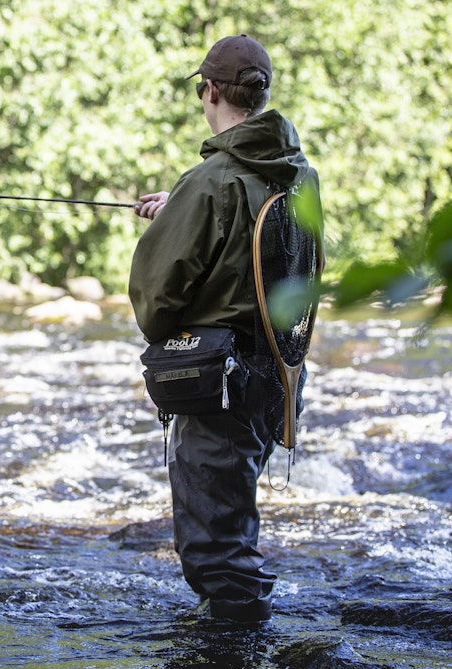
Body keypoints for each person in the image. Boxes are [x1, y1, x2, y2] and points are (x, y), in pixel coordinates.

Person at [128, 35, 322, 623]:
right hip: (278, 375)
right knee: (231, 516)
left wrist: (186, 207)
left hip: (219, 382)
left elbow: (157, 298)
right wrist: (183, 205)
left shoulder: (210, 181)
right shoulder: (300, 173)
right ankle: (238, 647)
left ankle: (234, 662)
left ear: (209, 90)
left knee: (216, 547)